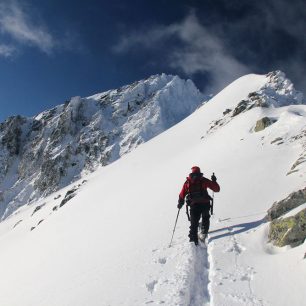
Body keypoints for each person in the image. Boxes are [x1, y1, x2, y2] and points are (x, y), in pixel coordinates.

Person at [177, 166, 220, 245]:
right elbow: (216, 189)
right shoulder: (203, 180)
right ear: (199, 172)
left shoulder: (188, 182)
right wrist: (214, 181)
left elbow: (182, 194)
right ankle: (203, 233)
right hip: (205, 204)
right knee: (205, 219)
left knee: (194, 224)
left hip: (194, 205)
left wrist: (180, 203)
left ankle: (193, 242)